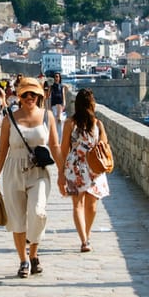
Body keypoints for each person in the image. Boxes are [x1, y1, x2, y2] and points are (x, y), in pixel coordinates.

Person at [0, 77, 61, 278]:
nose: (30, 97)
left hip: (38, 172)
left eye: (34, 94)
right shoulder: (9, 119)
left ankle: (34, 252)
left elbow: (55, 146)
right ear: (19, 96)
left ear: (40, 96)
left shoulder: (47, 116)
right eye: (26, 94)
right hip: (13, 169)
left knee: (37, 212)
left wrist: (63, 173)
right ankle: (24, 260)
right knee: (18, 219)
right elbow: (3, 151)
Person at [57, 88, 110, 253]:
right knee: (81, 205)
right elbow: (64, 148)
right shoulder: (72, 124)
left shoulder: (96, 124)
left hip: (89, 167)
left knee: (89, 206)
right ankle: (85, 240)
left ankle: (86, 235)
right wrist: (61, 172)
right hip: (79, 167)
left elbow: (103, 145)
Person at [48, 73, 69, 138]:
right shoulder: (51, 87)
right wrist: (49, 108)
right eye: (55, 77)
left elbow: (63, 97)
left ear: (59, 78)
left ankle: (60, 141)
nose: (56, 78)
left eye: (57, 77)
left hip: (60, 108)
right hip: (54, 107)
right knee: (54, 125)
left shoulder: (62, 87)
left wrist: (63, 107)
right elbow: (49, 98)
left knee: (60, 125)